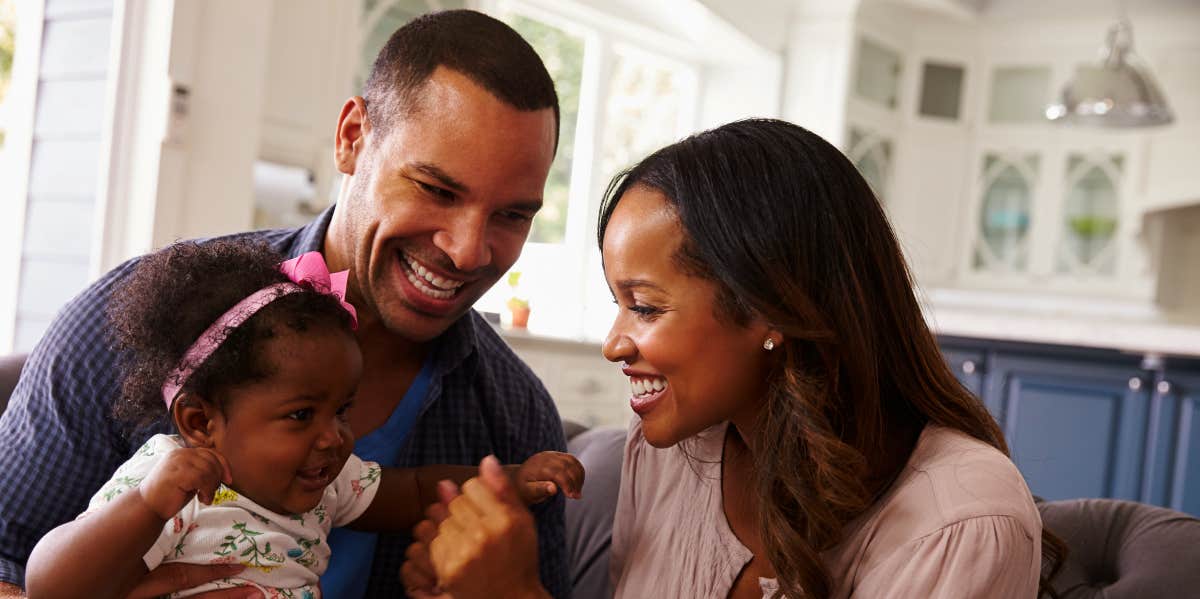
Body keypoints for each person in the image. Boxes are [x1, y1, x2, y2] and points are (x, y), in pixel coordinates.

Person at [0, 9, 573, 598]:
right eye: (436, 189)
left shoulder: (516, 419)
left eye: (512, 215)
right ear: (352, 137)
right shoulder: (128, 328)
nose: (468, 251)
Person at [400, 118, 1066, 598]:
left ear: (771, 306)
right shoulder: (667, 454)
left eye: (646, 306)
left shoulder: (962, 520)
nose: (614, 343)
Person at [23, 240, 582, 598]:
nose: (334, 436)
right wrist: (145, 506)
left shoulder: (327, 484)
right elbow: (49, 584)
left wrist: (511, 479)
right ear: (200, 422)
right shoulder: (170, 484)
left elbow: (416, 491)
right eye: (300, 414)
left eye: (341, 410)